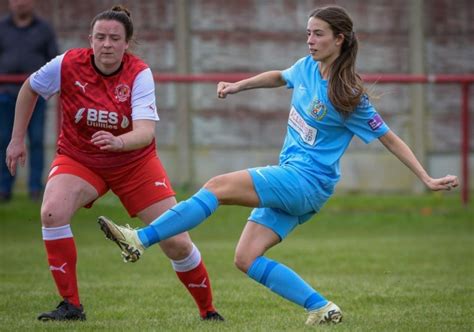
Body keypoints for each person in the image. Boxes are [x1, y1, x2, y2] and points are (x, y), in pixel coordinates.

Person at [96, 5, 459, 326]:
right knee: (245, 258)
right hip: (300, 185)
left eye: (318, 34)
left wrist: (426, 177)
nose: (310, 40)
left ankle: (139, 239)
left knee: (217, 186)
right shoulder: (306, 67)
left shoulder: (348, 93)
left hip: (306, 182)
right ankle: (321, 307)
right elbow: (278, 76)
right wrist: (238, 86)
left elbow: (389, 138)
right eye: (308, 33)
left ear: (340, 39)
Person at [5, 5, 224, 322]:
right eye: (100, 37)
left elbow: (145, 132)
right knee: (51, 212)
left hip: (134, 163)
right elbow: (30, 88)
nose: (106, 44)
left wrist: (119, 142)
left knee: (176, 241)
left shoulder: (139, 73)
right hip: (80, 158)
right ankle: (71, 306)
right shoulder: (67, 64)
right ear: (90, 40)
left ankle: (209, 311)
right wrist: (16, 138)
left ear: (127, 43)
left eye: (114, 38)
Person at [0, 0, 58, 202]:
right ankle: (4, 188)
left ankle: (36, 189)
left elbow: (54, 61)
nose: (20, 4)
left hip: (36, 96)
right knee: (4, 139)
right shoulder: (1, 28)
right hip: (5, 93)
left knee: (37, 140)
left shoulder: (44, 29)